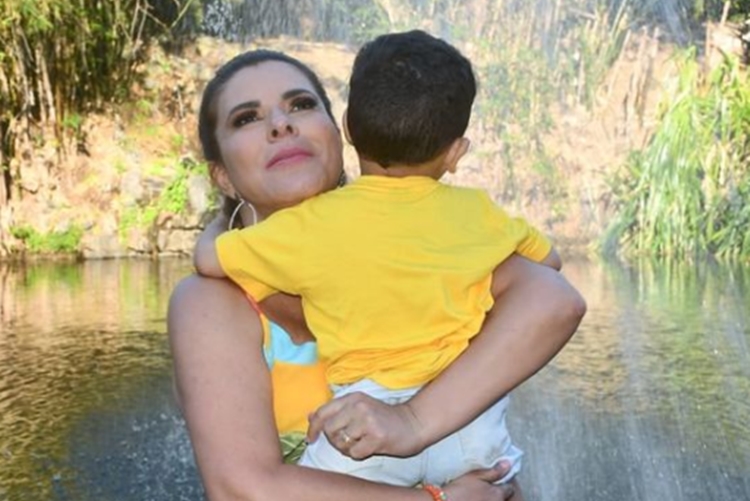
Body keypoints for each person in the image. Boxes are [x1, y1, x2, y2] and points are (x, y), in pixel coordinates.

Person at [169, 46, 586, 501]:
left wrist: (419, 424)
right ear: (223, 176)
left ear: (342, 132)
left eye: (302, 105)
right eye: (247, 117)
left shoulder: (435, 248)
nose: (280, 124)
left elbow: (553, 296)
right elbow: (240, 489)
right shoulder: (212, 301)